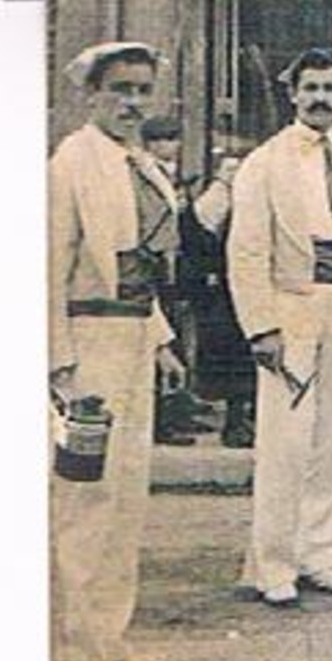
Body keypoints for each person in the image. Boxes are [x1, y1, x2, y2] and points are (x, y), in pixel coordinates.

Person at [227, 47, 332, 607]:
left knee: (330, 436)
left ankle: (321, 555)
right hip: (291, 305)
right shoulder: (265, 163)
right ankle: (273, 564)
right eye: (311, 88)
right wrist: (261, 327)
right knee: (285, 439)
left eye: (331, 87)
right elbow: (246, 250)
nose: (321, 98)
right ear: (293, 94)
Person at [48, 41, 184, 661]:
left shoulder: (140, 165)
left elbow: (143, 270)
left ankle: (109, 637)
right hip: (87, 344)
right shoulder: (70, 164)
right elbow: (46, 269)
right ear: (92, 94)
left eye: (141, 90)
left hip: (132, 337)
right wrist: (57, 366)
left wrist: (160, 340)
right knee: (84, 500)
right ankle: (71, 655)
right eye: (120, 89)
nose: (132, 102)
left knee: (126, 498)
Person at [140, 115, 214, 445]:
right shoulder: (148, 176)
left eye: (172, 139)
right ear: (149, 144)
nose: (167, 146)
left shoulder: (177, 180)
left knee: (180, 345)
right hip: (156, 273)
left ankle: (178, 410)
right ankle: (161, 420)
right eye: (160, 140)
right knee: (161, 346)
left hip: (178, 273)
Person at [185, 145, 258, 448]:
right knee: (232, 357)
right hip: (225, 292)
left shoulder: (258, 197)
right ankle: (236, 420)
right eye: (229, 170)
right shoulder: (217, 200)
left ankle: (250, 418)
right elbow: (198, 237)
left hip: (255, 286)